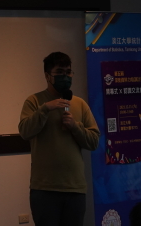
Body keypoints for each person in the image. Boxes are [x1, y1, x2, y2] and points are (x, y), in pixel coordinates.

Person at [19, 52, 100, 226]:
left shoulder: (79, 104)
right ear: (47, 76)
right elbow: (25, 132)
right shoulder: (34, 101)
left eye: (68, 72)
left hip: (75, 188)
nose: (65, 76)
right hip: (44, 189)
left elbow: (94, 141)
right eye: (60, 72)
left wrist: (75, 126)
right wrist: (45, 109)